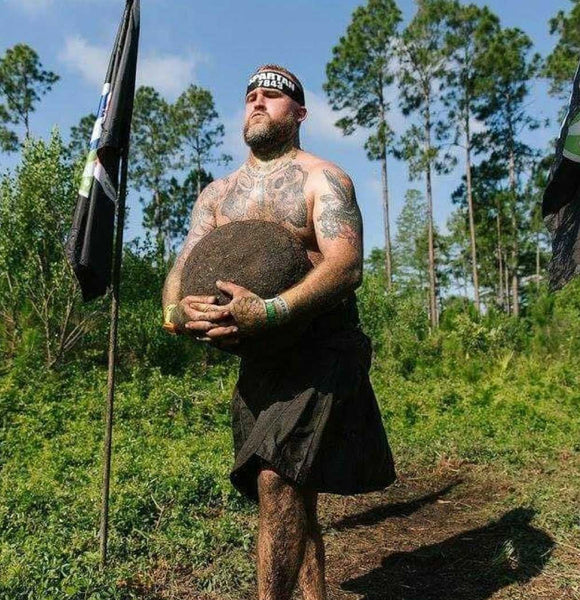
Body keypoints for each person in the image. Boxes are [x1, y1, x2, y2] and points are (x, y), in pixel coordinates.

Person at [162, 64, 396, 600]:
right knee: (292, 491)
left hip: (323, 348)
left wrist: (271, 311)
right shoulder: (216, 197)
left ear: (300, 113)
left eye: (272, 96)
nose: (258, 103)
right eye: (251, 96)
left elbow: (345, 265)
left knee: (277, 478)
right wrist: (176, 313)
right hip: (260, 360)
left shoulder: (323, 179)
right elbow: (180, 270)